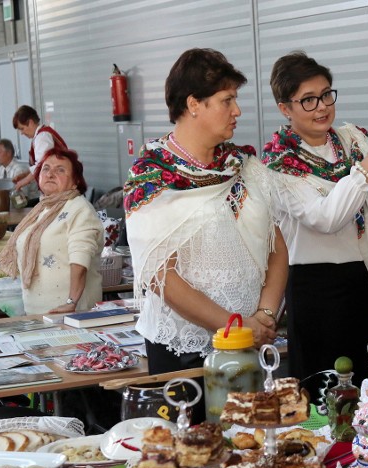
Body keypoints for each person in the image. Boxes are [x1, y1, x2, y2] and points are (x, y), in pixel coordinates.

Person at [123, 48, 287, 382]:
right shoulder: (153, 178)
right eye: (227, 100)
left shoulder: (244, 168)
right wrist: (236, 327)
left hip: (251, 342)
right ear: (194, 104)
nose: (237, 110)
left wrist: (265, 315)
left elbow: (277, 247)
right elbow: (161, 276)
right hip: (184, 353)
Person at [262, 51, 368, 385]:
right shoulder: (279, 164)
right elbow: (327, 218)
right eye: (308, 100)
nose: (321, 107)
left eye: (325, 95)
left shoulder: (353, 142)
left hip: (366, 279)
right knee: (327, 395)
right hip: (314, 289)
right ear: (284, 108)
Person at [0, 147, 104, 315]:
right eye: (46, 168)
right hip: (37, 313)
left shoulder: (80, 209)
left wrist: (71, 302)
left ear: (75, 181)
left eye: (60, 170)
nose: (50, 174)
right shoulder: (41, 209)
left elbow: (80, 260)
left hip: (71, 313)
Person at [12, 105, 68, 193]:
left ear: (30, 122)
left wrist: (24, 181)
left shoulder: (42, 137)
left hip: (60, 187)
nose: (22, 133)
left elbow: (42, 165)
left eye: (22, 128)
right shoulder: (42, 134)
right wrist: (25, 174)